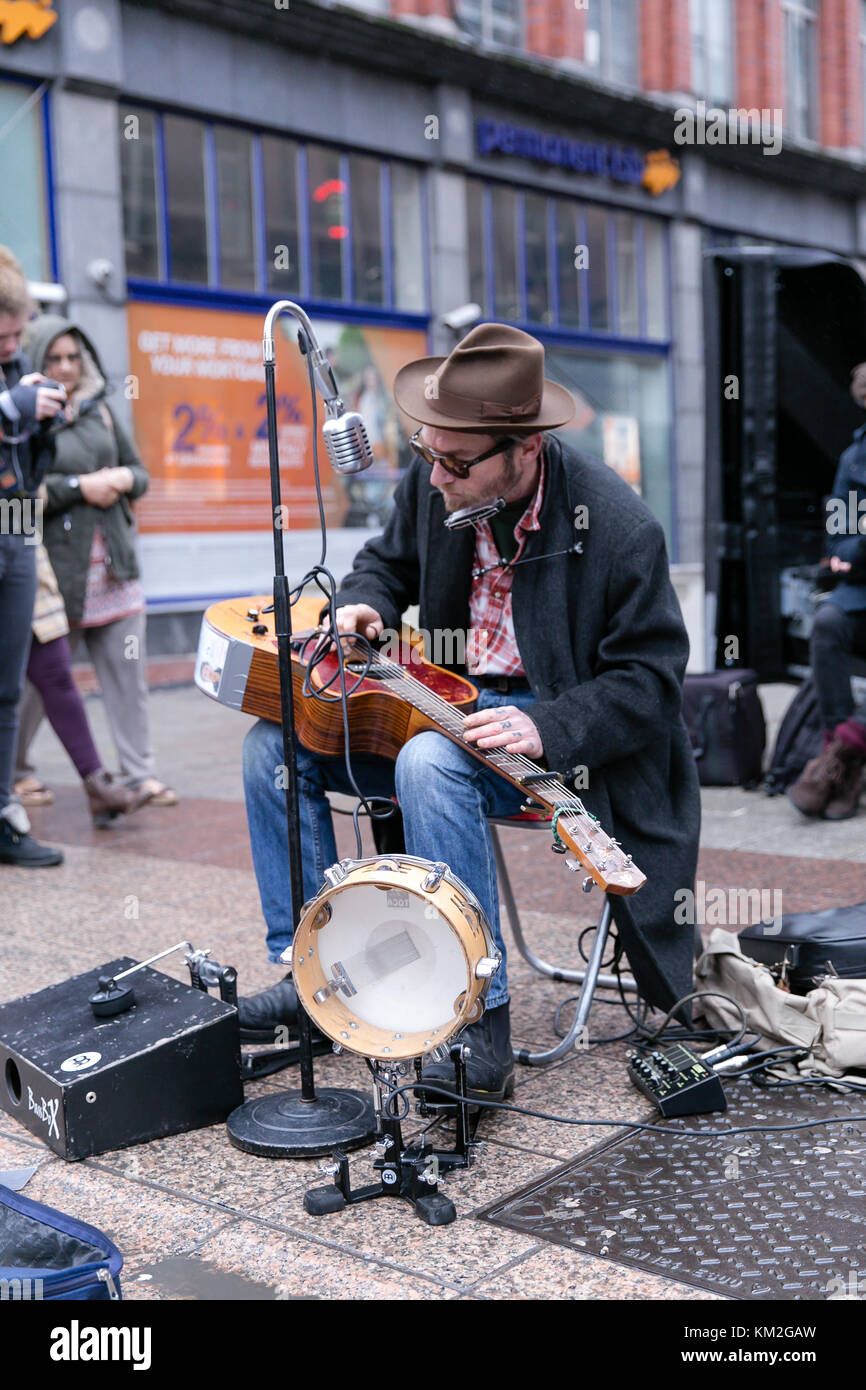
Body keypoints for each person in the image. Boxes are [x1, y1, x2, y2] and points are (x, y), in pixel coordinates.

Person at [238, 324, 701, 1099]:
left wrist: (546, 725)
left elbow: (652, 685)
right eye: (428, 454)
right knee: (272, 744)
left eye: (456, 462)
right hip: (440, 704)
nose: (437, 475)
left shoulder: (620, 530)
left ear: (524, 450)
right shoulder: (436, 478)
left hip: (556, 733)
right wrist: (361, 606)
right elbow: (382, 565)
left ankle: (476, 1018)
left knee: (429, 761)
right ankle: (310, 971)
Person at [14, 315, 177, 808]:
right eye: (54, 359)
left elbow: (141, 473)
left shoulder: (101, 409)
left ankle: (139, 774)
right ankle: (15, 770)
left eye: (72, 357)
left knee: (128, 679)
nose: (65, 367)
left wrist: (123, 480)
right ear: (36, 362)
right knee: (41, 682)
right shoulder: (24, 417)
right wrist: (79, 488)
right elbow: (22, 494)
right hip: (58, 575)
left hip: (115, 571)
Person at [0, 247, 66, 867]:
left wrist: (43, 423)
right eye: (5, 333)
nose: (14, 343)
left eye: (19, 331)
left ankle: (2, 814)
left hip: (15, 526)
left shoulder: (15, 365)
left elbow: (26, 468)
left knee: (7, 685)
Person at [17, 543, 153, 825]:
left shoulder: (16, 511)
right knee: (16, 692)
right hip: (41, 572)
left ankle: (100, 786)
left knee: (56, 674)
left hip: (31, 571)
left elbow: (22, 509)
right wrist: (79, 494)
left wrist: (17, 552)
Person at [787, 362, 866, 819]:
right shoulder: (854, 459)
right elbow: (839, 541)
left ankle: (842, 755)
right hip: (861, 592)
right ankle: (844, 762)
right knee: (826, 624)